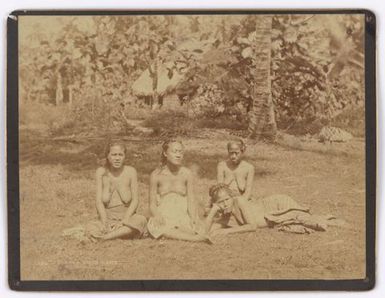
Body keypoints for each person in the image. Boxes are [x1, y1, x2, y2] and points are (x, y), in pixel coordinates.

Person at [205, 183, 340, 236]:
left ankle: (332, 220)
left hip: (276, 204)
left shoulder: (239, 201)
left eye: (227, 200)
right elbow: (205, 230)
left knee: (305, 219)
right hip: (272, 215)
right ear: (216, 204)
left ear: (231, 197)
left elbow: (252, 226)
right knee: (300, 220)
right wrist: (212, 211)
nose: (225, 204)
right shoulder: (224, 216)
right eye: (220, 203)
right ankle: (326, 219)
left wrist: (226, 231)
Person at [147, 140, 210, 242]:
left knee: (196, 226)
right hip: (164, 212)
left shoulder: (187, 174)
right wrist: (157, 215)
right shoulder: (156, 175)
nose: (178, 155)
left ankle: (185, 233)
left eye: (180, 152)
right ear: (165, 153)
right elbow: (152, 204)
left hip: (182, 212)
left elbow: (191, 200)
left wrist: (194, 217)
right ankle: (194, 238)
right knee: (156, 227)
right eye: (175, 151)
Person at [85, 141, 147, 240]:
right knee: (90, 226)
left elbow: (135, 200)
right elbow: (99, 202)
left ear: (125, 156)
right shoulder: (101, 172)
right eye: (114, 155)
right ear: (107, 156)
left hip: (128, 217)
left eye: (120, 155)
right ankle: (116, 233)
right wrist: (104, 221)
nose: (117, 158)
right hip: (108, 217)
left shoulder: (131, 171)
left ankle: (105, 237)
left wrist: (125, 220)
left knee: (141, 220)